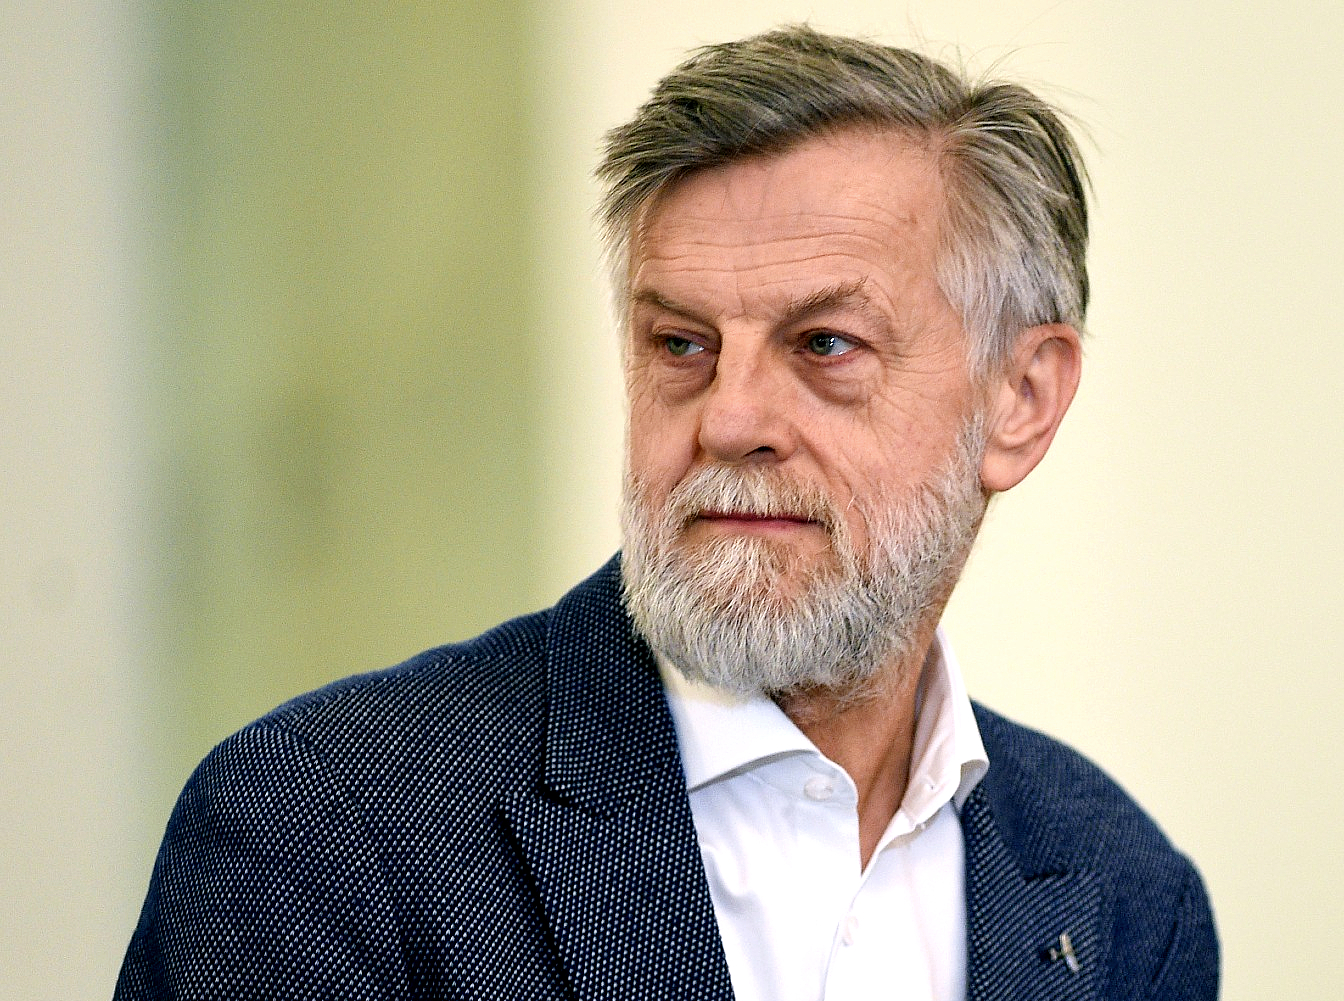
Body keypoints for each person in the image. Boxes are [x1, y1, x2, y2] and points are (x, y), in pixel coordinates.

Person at [116, 25, 1218, 1001]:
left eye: (825, 344)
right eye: (681, 345)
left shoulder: (1122, 895)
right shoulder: (320, 830)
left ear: (1021, 398)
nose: (729, 417)